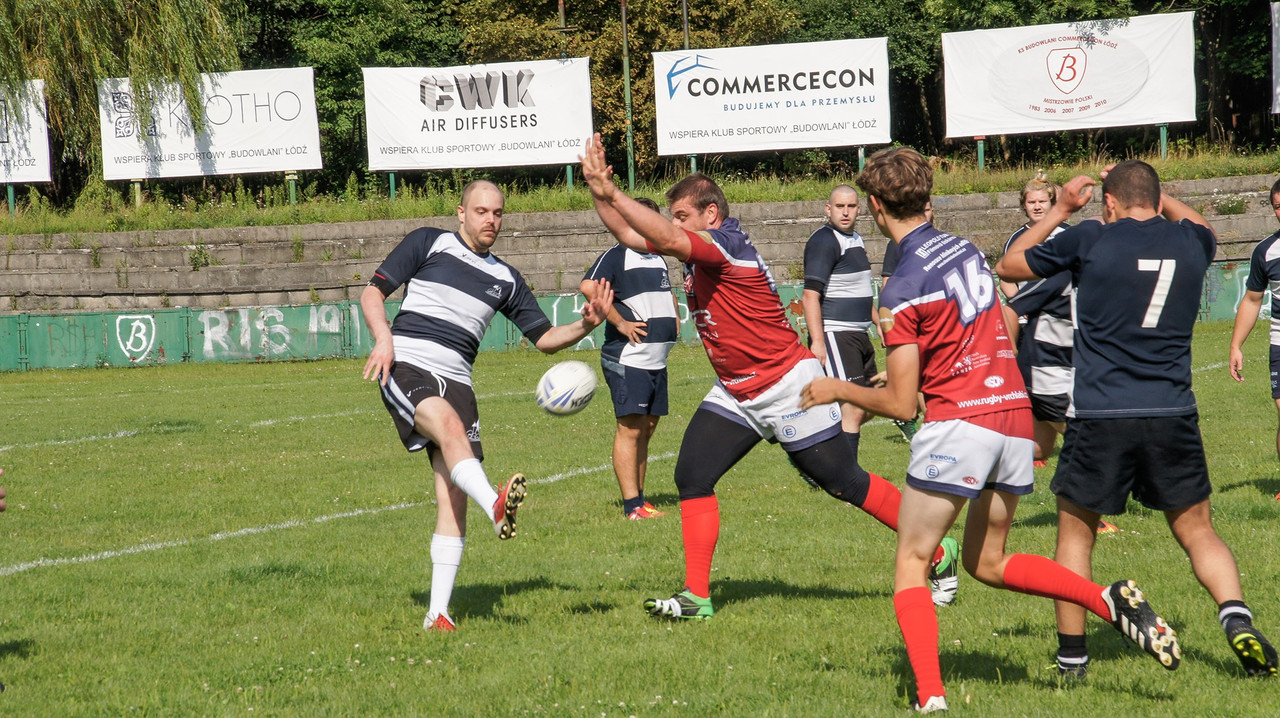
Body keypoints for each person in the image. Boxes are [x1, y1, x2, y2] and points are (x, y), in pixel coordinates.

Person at [806, 148, 1181, 713]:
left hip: (961, 423)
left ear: (876, 207)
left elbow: (903, 403)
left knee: (913, 561)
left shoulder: (902, 282)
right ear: (926, 198)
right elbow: (1003, 320)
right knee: (987, 561)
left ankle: (930, 696)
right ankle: (1105, 601)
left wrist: (839, 389)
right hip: (1012, 420)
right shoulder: (963, 248)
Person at [579, 134, 960, 621]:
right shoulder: (699, 244)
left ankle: (940, 549)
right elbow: (636, 236)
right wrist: (598, 188)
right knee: (692, 475)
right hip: (738, 390)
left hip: (785, 386)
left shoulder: (725, 243)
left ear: (710, 215)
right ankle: (697, 596)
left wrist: (615, 194)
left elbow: (667, 238)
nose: (674, 227)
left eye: (682, 215)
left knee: (844, 481)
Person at [997, 160, 1277, 680]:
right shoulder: (1190, 243)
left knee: (1076, 538)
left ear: (1107, 203)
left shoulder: (1089, 239)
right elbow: (1205, 228)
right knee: (1198, 531)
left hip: (1101, 412)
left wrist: (1060, 207)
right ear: (1159, 197)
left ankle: (1072, 659)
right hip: (1172, 410)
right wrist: (1159, 195)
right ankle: (1236, 617)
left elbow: (1009, 266)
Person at [361, 180, 614, 632]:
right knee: (448, 425)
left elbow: (544, 340)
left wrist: (584, 324)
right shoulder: (429, 242)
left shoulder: (506, 278)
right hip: (408, 364)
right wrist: (384, 339)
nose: (490, 221)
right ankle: (496, 505)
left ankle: (437, 613)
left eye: (497, 214)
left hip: (459, 379)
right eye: (481, 212)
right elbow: (372, 292)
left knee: (452, 495)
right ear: (461, 213)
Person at [581, 196, 680, 520]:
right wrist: (621, 323)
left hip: (656, 360)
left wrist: (675, 316)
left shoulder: (658, 257)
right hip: (629, 358)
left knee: (647, 429)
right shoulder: (616, 256)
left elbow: (667, 293)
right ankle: (631, 506)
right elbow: (588, 286)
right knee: (631, 429)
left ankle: (641, 500)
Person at [801, 185, 877, 463]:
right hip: (836, 334)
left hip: (859, 334)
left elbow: (859, 289)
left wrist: (878, 321)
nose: (845, 212)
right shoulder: (825, 241)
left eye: (851, 206)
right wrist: (818, 341)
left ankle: (815, 461)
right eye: (840, 207)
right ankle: (847, 477)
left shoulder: (855, 239)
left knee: (870, 403)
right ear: (828, 209)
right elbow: (810, 295)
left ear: (859, 209)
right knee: (854, 408)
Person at [1001, 174, 1073, 467]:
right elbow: (1007, 277)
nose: (1037, 206)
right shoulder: (1019, 239)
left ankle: (983, 453)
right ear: (1024, 206)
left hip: (1058, 321)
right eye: (1032, 202)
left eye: (1043, 201)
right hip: (1033, 323)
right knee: (1087, 437)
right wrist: (1020, 301)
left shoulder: (1067, 235)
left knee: (1039, 445)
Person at [1229, 178, 1280, 463]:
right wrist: (1236, 346)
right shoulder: (1266, 251)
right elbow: (1251, 300)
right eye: (1277, 207)